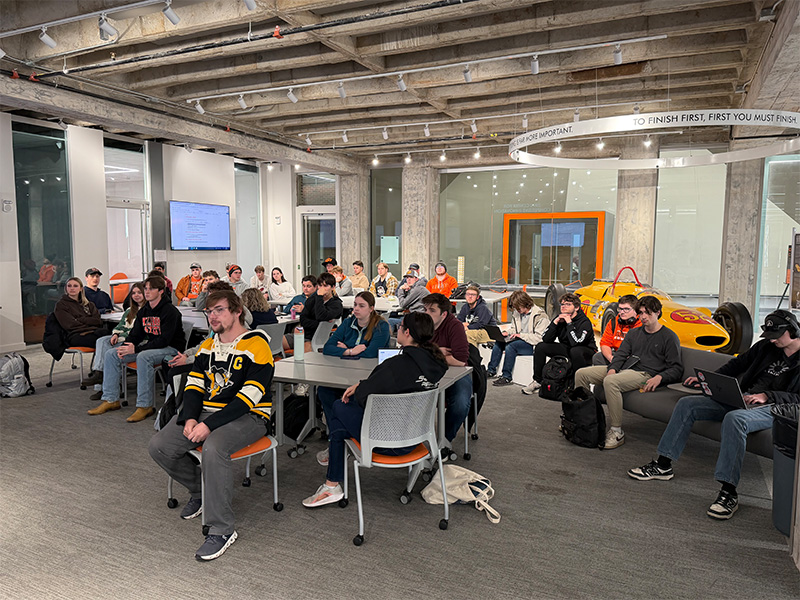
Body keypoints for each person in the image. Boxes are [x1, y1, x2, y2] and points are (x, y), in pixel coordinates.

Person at [628, 310, 800, 520]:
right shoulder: (765, 347)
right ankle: (663, 465)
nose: (772, 339)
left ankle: (728, 492)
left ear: (793, 331)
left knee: (734, 419)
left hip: (776, 408)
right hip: (744, 398)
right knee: (687, 404)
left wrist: (767, 395)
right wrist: (708, 381)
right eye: (769, 335)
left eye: (777, 335)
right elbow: (736, 364)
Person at [149, 289, 274, 560]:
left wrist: (208, 426)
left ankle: (222, 528)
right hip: (207, 413)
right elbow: (193, 385)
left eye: (219, 310)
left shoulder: (257, 344)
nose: (212, 316)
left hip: (249, 416)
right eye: (209, 311)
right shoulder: (208, 345)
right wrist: (191, 418)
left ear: (237, 311)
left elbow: (248, 398)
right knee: (159, 445)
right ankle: (200, 490)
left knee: (213, 447)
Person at [302, 311, 447, 508]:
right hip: (415, 437)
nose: (398, 329)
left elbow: (363, 398)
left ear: (408, 333)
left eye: (401, 326)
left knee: (338, 406)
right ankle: (331, 483)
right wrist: (363, 385)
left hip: (387, 441)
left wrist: (360, 386)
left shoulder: (396, 365)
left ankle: (332, 484)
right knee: (341, 429)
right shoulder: (437, 364)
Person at [573, 295, 682, 449]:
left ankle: (617, 431)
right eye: (641, 313)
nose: (643, 317)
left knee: (610, 382)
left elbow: (676, 368)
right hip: (626, 368)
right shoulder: (634, 333)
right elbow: (621, 355)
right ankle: (583, 421)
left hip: (646, 373)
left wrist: (660, 377)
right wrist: (612, 369)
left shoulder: (669, 337)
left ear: (658, 313)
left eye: (648, 313)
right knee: (581, 374)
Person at [89, 275, 185, 422]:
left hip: (170, 348)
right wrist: (127, 346)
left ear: (161, 291)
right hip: (152, 347)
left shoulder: (170, 311)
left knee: (143, 356)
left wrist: (137, 349)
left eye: (151, 289)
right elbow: (136, 334)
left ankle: (145, 406)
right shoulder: (143, 311)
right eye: (145, 288)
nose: (147, 292)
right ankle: (111, 399)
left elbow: (164, 340)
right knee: (111, 354)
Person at [314, 291, 392, 465]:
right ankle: (336, 439)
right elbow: (327, 348)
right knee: (325, 391)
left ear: (371, 309)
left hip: (368, 377)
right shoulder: (348, 322)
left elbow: (372, 354)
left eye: (361, 306)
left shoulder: (381, 326)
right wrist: (351, 350)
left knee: (348, 399)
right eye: (355, 305)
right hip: (344, 372)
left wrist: (344, 348)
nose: (356, 309)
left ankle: (342, 438)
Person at [523, 292, 597, 395]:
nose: (564, 307)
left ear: (576, 308)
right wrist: (555, 323)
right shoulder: (560, 318)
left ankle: (576, 385)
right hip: (569, 348)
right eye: (562, 304)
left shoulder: (584, 322)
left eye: (568, 304)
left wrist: (569, 323)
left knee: (575, 351)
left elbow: (576, 342)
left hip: (586, 351)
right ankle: (538, 381)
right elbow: (546, 339)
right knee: (541, 347)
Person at [423, 293, 471, 448]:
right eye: (425, 310)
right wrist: (436, 352)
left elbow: (460, 361)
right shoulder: (423, 324)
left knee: (461, 403)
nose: (427, 314)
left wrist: (430, 354)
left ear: (443, 314)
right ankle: (411, 440)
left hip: (456, 372)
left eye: (432, 310)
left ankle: (443, 441)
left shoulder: (454, 326)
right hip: (426, 369)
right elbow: (409, 349)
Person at [82, 282, 146, 398]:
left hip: (132, 341)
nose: (136, 295)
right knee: (101, 341)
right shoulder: (129, 311)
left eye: (139, 293)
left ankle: (102, 387)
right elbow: (119, 326)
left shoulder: (147, 310)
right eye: (134, 293)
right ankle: (99, 374)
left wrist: (122, 335)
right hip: (120, 337)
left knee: (108, 353)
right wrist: (115, 334)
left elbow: (137, 333)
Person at [488, 291, 549, 386]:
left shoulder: (540, 316)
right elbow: (514, 329)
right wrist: (507, 333)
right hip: (521, 339)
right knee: (499, 341)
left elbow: (539, 338)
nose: (516, 309)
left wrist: (521, 335)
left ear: (525, 302)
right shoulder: (517, 313)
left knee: (511, 346)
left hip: (533, 344)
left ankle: (506, 377)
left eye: (518, 306)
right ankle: (491, 370)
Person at [53, 277, 105, 347]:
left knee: (110, 337)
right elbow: (70, 325)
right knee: (102, 341)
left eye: (75, 286)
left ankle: (103, 357)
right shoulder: (61, 305)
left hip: (94, 331)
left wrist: (80, 319)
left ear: (81, 288)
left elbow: (98, 321)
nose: (72, 288)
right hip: (75, 335)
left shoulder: (89, 304)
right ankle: (100, 358)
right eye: (69, 286)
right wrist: (89, 322)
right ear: (66, 288)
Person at [299, 272, 343, 351]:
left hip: (318, 339)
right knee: (276, 342)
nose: (322, 289)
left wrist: (319, 297)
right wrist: (319, 323)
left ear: (333, 287)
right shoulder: (311, 300)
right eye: (320, 286)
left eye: (325, 286)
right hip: (303, 334)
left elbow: (321, 316)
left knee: (302, 353)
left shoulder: (336, 304)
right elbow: (303, 320)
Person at [593, 294, 641, 365]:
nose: (622, 312)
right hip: (616, 355)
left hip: (632, 357)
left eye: (626, 309)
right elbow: (605, 343)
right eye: (620, 309)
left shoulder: (642, 325)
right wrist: (610, 358)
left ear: (636, 311)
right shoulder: (613, 322)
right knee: (597, 357)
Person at [388, 269, 429, 333]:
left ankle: (391, 342)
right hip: (417, 316)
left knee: (390, 321)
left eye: (411, 277)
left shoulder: (417, 289)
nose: (408, 280)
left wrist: (401, 289)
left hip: (418, 319)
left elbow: (403, 304)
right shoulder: (417, 288)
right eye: (407, 278)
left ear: (416, 279)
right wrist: (406, 291)